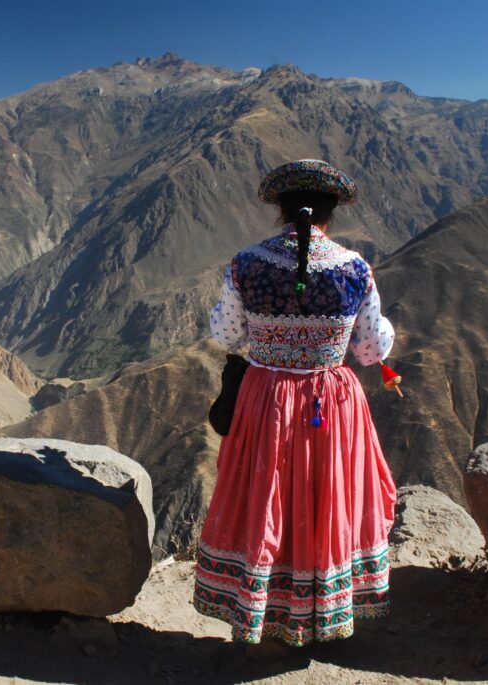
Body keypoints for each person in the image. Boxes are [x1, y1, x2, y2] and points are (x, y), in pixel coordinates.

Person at [194, 159, 398, 648]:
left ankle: (264, 608)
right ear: (332, 212)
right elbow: (371, 351)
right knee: (323, 499)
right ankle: (318, 612)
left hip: (266, 398)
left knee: (268, 496)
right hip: (330, 401)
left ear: (279, 210)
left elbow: (226, 334)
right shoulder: (353, 269)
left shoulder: (246, 264)